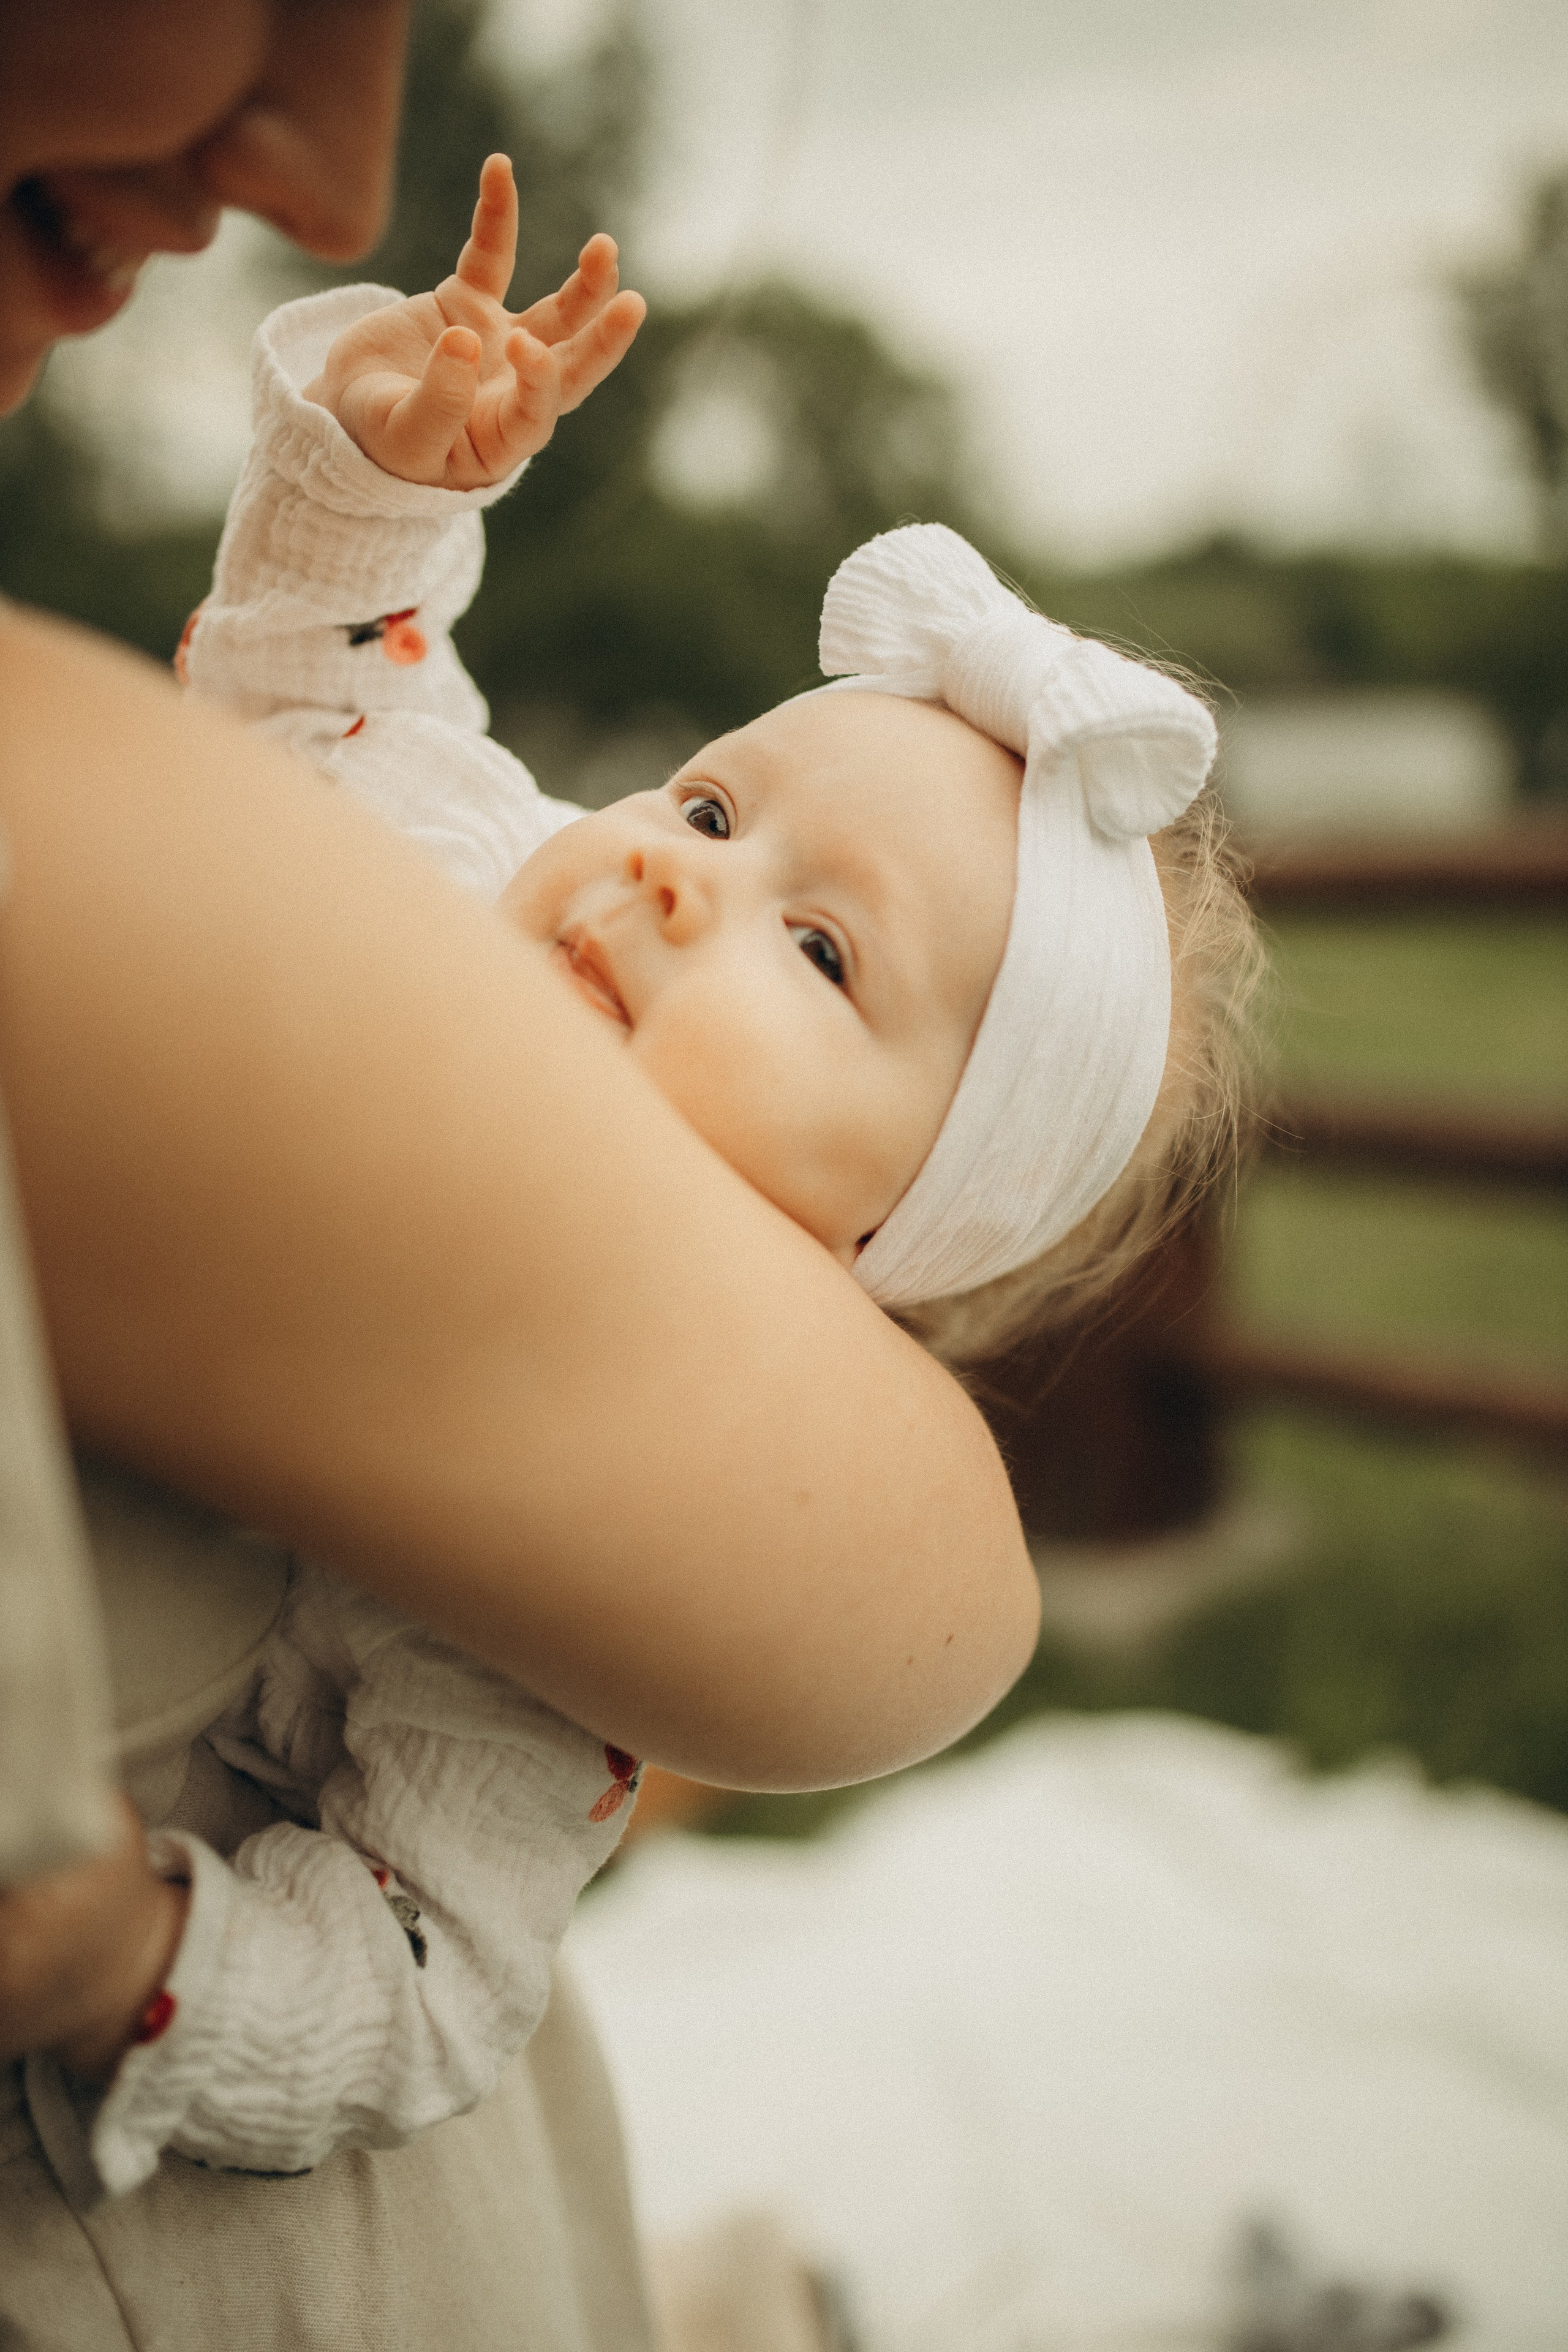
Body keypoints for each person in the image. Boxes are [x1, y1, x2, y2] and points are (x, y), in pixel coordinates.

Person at [40, 157, 1260, 2204]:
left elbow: (429, 1971)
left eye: (819, 950)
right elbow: (322, 681)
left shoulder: (599, 1520)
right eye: (714, 795)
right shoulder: (453, 854)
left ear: (879, 1236)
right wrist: (390, 470)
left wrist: (134, 1965)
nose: (681, 868)